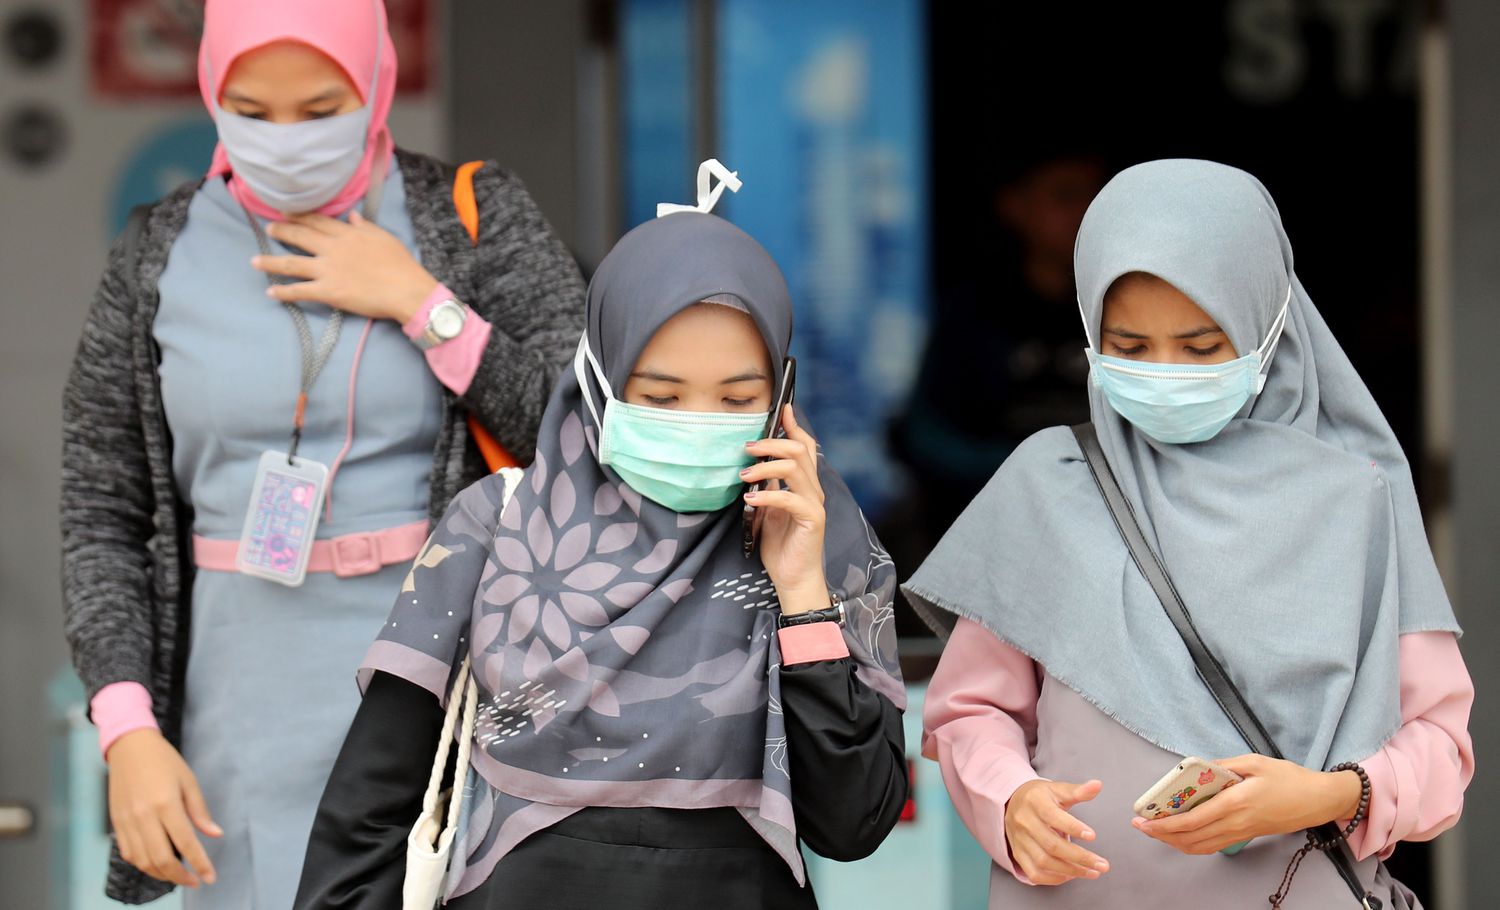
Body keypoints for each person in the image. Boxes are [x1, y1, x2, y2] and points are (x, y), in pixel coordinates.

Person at [59, 0, 585, 905]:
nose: (287, 139)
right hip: (238, 693)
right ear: (211, 90)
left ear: (375, 81)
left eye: (320, 107)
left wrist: (425, 306)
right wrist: (126, 727)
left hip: (448, 680)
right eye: (253, 111)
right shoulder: (160, 250)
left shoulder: (469, 217)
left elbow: (584, 437)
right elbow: (100, 511)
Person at [294, 198, 908, 909]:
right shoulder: (497, 524)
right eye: (662, 396)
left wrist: (803, 596)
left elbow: (854, 822)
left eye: (738, 398)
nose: (699, 424)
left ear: (782, 399)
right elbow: (373, 800)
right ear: (601, 383)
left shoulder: (815, 535)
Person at [904, 159, 1473, 908]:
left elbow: (1440, 752)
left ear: (1269, 324)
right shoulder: (1048, 484)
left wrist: (1326, 796)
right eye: (1130, 348)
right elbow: (969, 711)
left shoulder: (1356, 500)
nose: (1165, 373)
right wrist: (1009, 800)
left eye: (1203, 347)